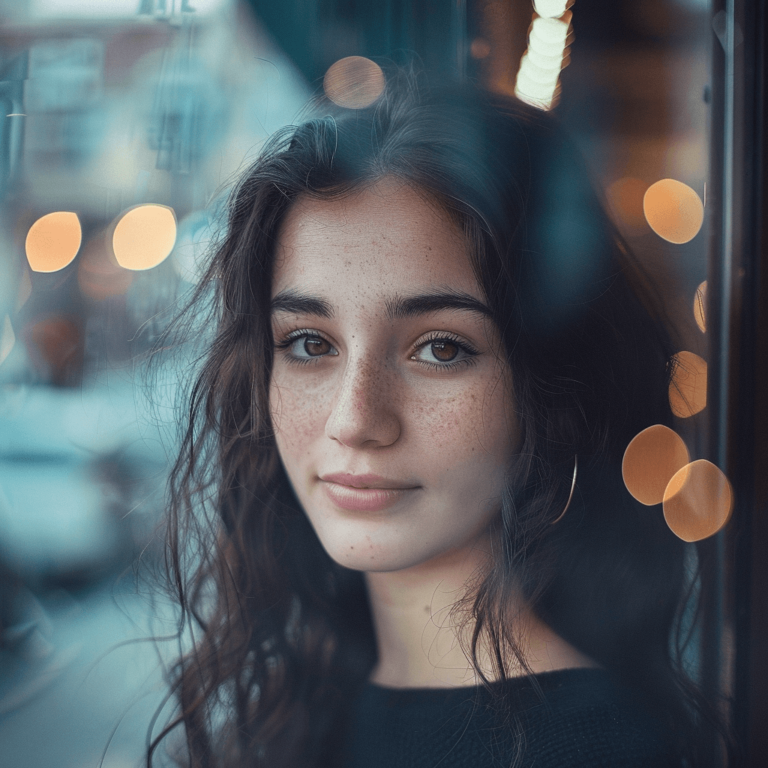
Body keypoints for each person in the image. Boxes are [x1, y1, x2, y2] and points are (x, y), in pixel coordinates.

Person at [149, 67, 718, 767]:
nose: (356, 420)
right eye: (309, 344)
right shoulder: (317, 694)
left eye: (440, 348)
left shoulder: (593, 748)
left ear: (547, 389)